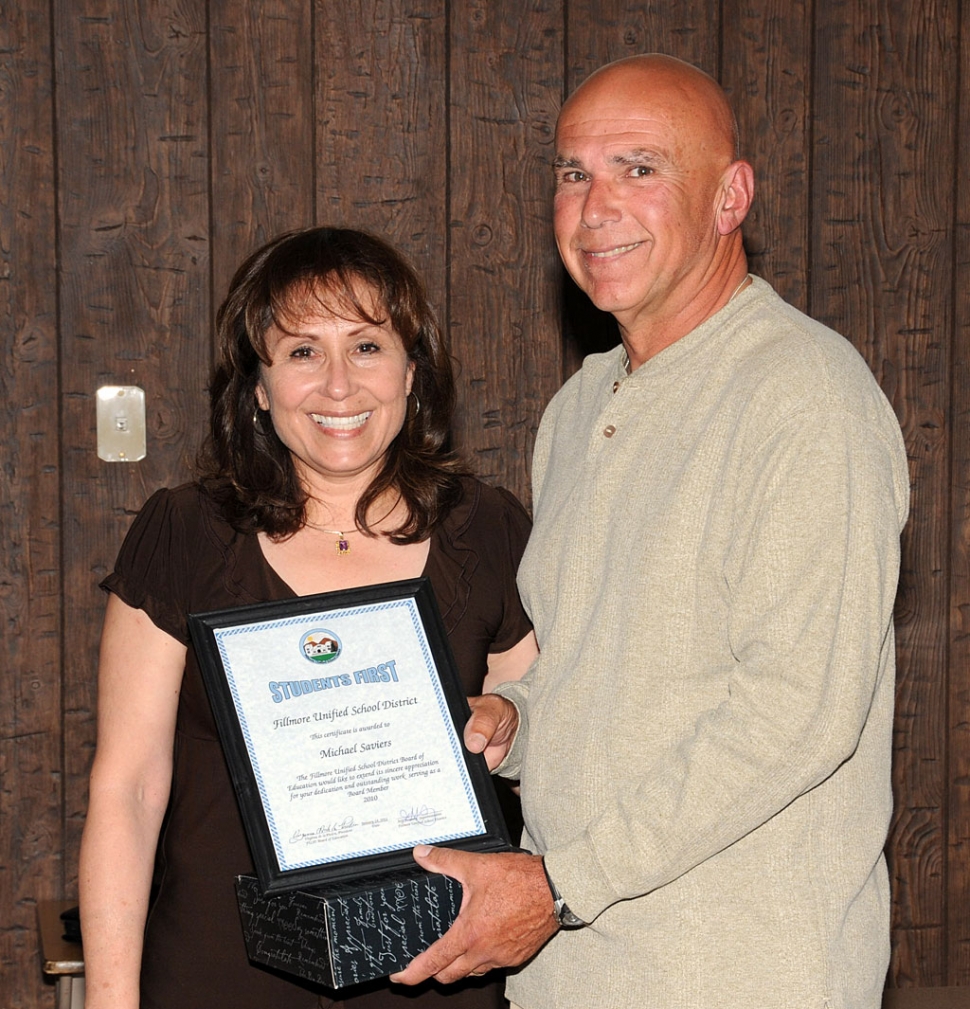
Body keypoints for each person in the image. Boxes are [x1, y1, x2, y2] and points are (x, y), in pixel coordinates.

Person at [390, 53, 911, 1008]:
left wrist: (557, 884)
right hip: (575, 975)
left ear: (730, 196)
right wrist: (520, 722)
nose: (595, 208)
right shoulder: (580, 407)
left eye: (640, 168)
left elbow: (796, 714)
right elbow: (604, 670)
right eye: (572, 172)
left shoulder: (805, 396)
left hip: (739, 974)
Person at [79, 226, 539, 1009]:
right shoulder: (186, 533)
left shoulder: (489, 528)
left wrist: (510, 724)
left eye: (366, 347)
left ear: (412, 372)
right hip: (223, 976)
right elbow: (127, 791)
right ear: (258, 386)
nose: (337, 385)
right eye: (300, 352)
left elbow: (552, 741)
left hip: (437, 971)